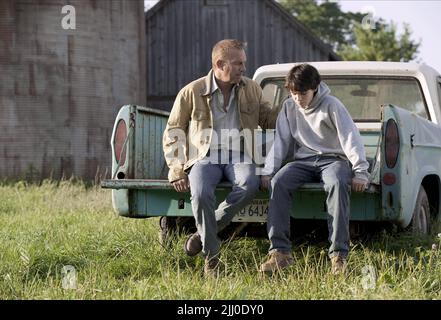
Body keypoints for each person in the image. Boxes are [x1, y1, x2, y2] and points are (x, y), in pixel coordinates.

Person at [163, 39, 275, 276]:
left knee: (249, 183)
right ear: (219, 64)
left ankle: (202, 233)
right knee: (201, 193)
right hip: (205, 156)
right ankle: (211, 259)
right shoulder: (192, 91)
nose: (243, 68)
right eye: (238, 64)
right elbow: (174, 131)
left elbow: (268, 119)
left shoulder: (252, 88)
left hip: (241, 155)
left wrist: (296, 109)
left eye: (244, 63)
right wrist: (177, 168)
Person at [259, 63, 369, 275]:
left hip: (333, 160)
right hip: (304, 161)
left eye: (302, 93)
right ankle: (280, 253)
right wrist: (268, 171)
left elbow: (350, 138)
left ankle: (339, 256)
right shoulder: (289, 107)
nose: (298, 98)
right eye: (293, 93)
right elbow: (280, 142)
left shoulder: (332, 105)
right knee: (278, 182)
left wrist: (360, 171)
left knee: (337, 183)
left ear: (315, 87)